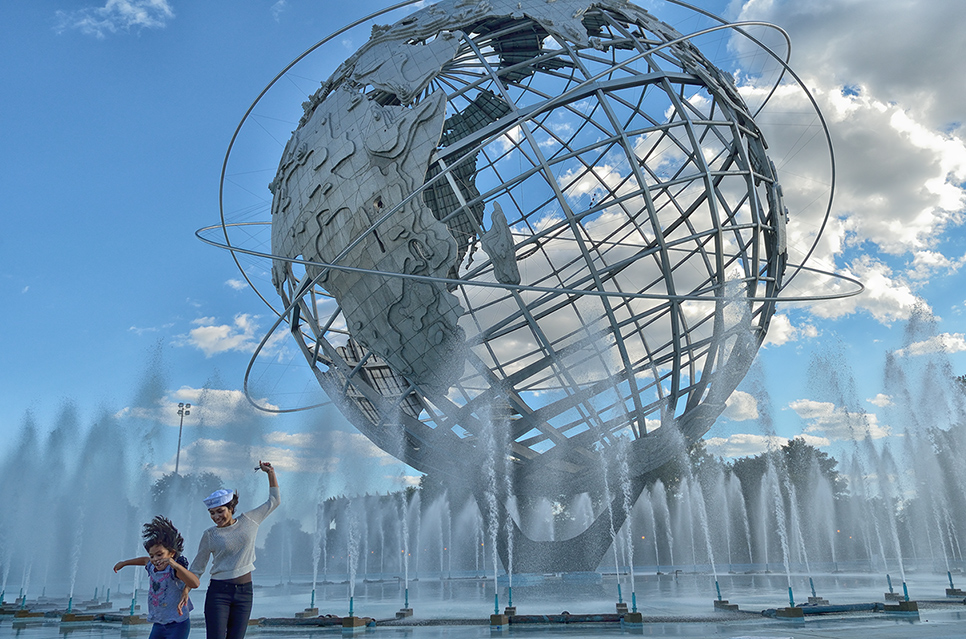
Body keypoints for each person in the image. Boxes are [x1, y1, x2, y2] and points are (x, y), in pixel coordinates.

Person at [187, 461, 280, 639]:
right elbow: (197, 568)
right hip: (218, 593)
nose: (216, 517)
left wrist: (270, 473)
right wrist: (184, 591)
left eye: (220, 511)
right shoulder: (210, 535)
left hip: (245, 592)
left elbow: (274, 501)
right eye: (212, 513)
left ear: (231, 508)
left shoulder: (249, 520)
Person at [114, 516, 200, 639]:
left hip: (178, 624)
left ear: (171, 553)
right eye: (152, 556)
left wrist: (176, 565)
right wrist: (124, 563)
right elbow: (144, 560)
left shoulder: (173, 571)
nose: (155, 559)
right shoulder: (151, 566)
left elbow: (195, 583)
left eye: (160, 555)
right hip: (159, 624)